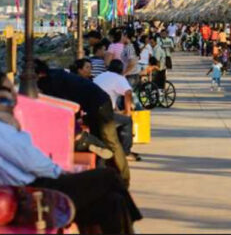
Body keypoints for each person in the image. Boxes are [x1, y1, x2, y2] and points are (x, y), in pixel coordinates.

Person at [0, 76, 142, 233]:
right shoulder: (3, 129)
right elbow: (32, 163)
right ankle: (134, 224)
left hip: (32, 188)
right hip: (37, 189)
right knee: (109, 176)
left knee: (112, 202)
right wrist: (60, 172)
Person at [35, 60, 130, 187]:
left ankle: (124, 180)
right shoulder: (54, 75)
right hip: (92, 105)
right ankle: (103, 176)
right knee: (99, 141)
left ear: (39, 74)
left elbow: (63, 104)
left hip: (100, 104)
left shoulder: (53, 81)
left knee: (111, 141)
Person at [93, 60, 139, 162]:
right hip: (103, 113)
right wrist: (127, 112)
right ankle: (125, 152)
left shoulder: (101, 76)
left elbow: (109, 95)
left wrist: (117, 110)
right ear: (121, 70)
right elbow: (128, 92)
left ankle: (116, 149)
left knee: (118, 118)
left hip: (91, 111)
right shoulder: (119, 78)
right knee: (127, 121)